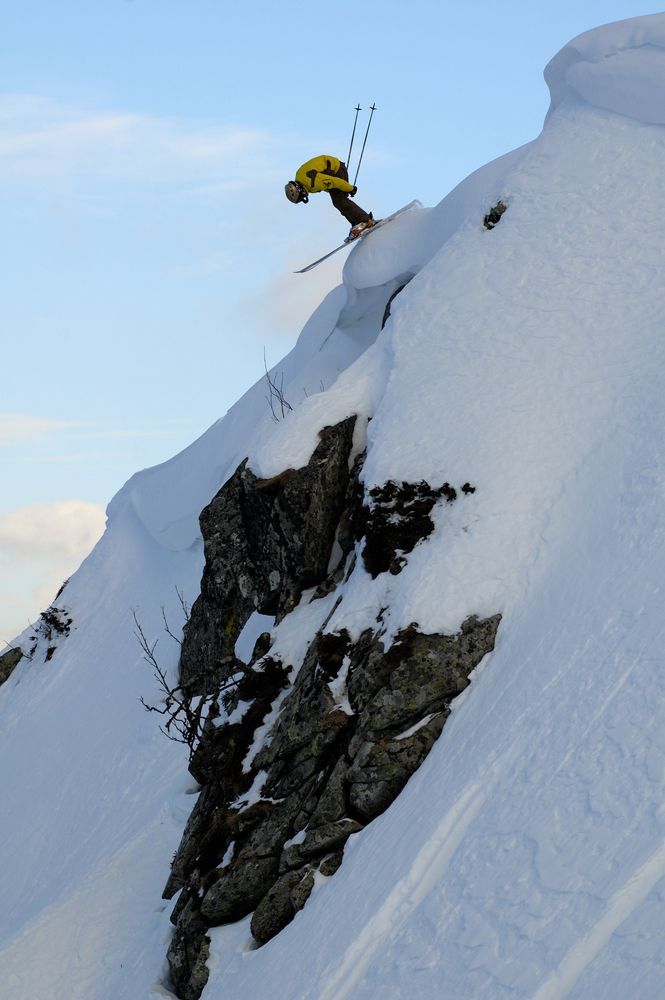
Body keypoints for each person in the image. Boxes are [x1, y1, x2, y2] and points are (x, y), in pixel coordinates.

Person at [285, 155, 375, 239]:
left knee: (340, 201)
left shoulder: (311, 182)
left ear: (299, 191)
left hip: (337, 170)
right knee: (338, 202)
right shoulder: (303, 180)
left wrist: (350, 188)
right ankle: (357, 223)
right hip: (333, 170)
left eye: (301, 197)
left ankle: (364, 221)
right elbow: (325, 184)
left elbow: (334, 181)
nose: (304, 197)